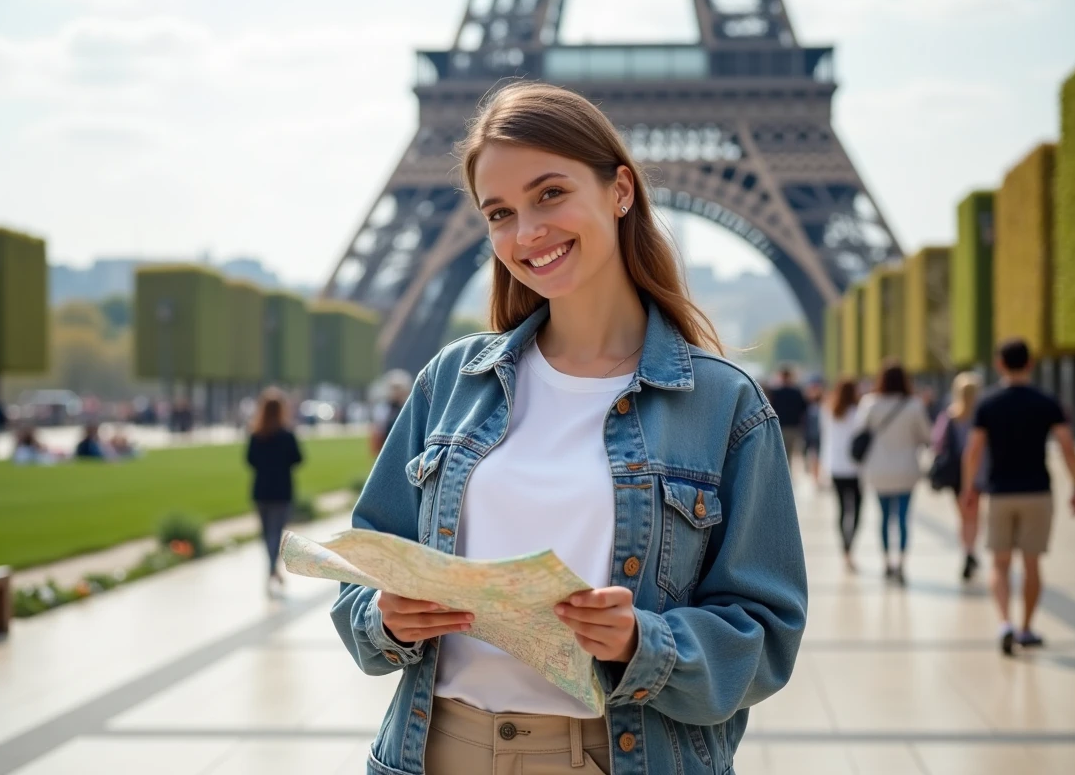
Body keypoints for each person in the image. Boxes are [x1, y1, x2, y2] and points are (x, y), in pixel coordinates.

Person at [330, 82, 807, 775]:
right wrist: (386, 616)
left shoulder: (724, 405)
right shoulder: (448, 383)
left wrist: (643, 641)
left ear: (619, 190)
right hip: (438, 753)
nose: (526, 234)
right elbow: (363, 569)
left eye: (550, 194)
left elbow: (767, 637)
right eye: (500, 213)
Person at [961, 339, 1075, 656]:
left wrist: (969, 487)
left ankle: (1004, 623)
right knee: (1032, 564)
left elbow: (973, 451)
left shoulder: (988, 403)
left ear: (1000, 364)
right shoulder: (1046, 401)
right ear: (1030, 364)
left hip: (1000, 492)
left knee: (1000, 564)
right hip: (1037, 491)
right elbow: (1068, 446)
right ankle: (1026, 628)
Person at [854, 361, 931, 585]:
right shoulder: (914, 405)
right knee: (904, 519)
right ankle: (902, 563)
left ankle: (887, 562)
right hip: (906, 469)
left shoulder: (870, 404)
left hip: (878, 469)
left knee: (885, 518)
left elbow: (860, 432)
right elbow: (926, 436)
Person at [246, 388, 304, 597]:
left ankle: (271, 569)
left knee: (266, 534)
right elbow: (298, 459)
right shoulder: (286, 435)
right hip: (281, 489)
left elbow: (250, 460)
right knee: (275, 533)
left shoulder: (256, 434)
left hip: (262, 490)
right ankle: (272, 569)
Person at [931, 372, 983, 581]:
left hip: (955, 473)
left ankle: (967, 550)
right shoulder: (981, 414)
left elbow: (937, 441)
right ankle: (971, 550)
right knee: (975, 515)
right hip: (978, 470)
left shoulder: (951, 415)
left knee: (963, 516)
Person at [821, 378, 862, 571]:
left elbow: (825, 441)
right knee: (856, 510)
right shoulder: (858, 412)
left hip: (836, 467)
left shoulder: (830, 411)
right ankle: (850, 546)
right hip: (855, 468)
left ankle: (844, 548)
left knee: (841, 509)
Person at [767, 365, 808, 472]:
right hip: (794, 426)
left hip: (780, 426)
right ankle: (788, 473)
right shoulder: (797, 392)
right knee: (790, 453)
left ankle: (782, 473)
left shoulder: (776, 392)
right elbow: (803, 408)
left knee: (780, 453)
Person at [370, 370, 412, 457]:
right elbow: (378, 432)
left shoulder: (411, 407)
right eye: (393, 388)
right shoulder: (383, 408)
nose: (396, 392)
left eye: (398, 388)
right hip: (388, 449)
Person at [804, 379, 824, 484]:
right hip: (811, 434)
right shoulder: (806, 404)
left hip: (821, 434)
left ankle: (818, 474)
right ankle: (815, 476)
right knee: (813, 456)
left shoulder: (824, 403)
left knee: (820, 456)